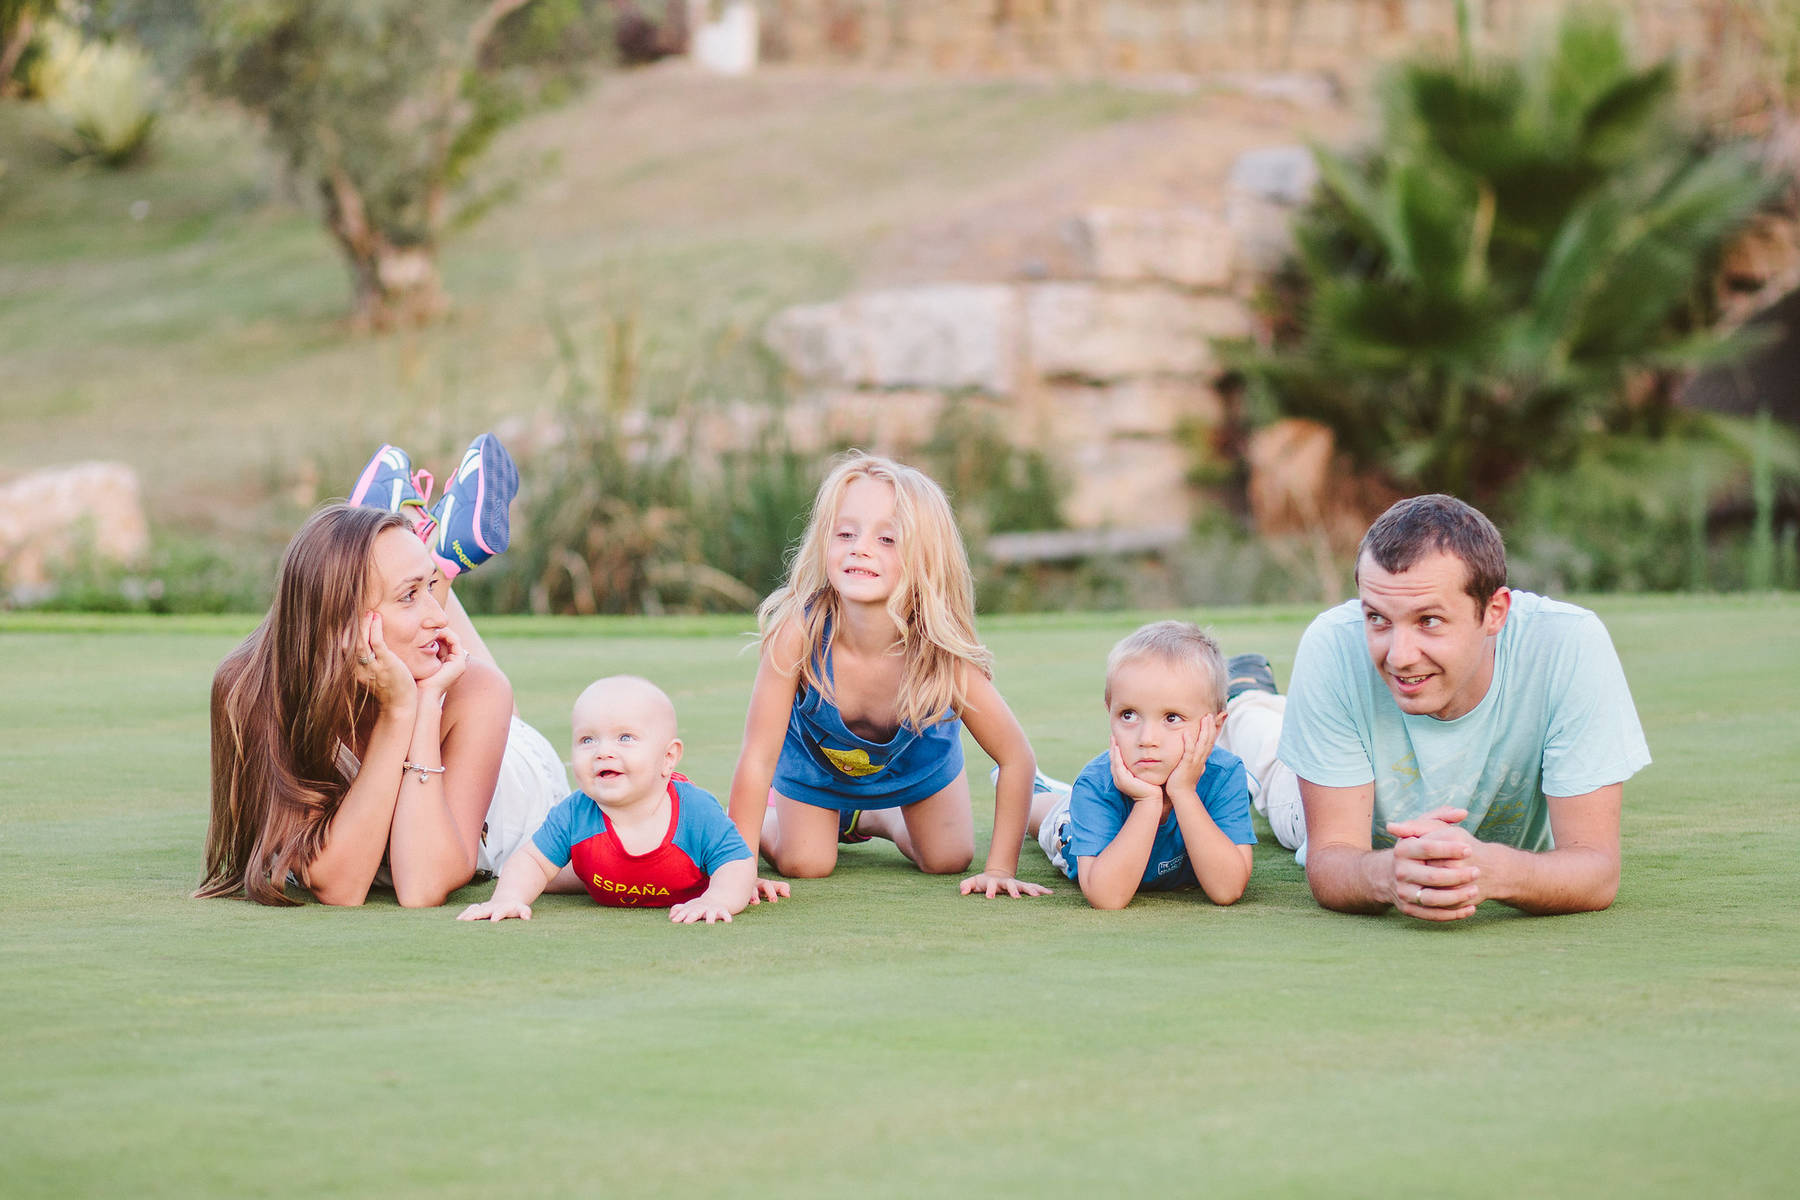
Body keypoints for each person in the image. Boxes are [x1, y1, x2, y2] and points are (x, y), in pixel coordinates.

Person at [197, 435, 566, 907]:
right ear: (340, 617)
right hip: (397, 677)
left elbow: (422, 884)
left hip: (515, 776)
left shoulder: (478, 691)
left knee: (455, 657)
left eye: (426, 587)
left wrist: (422, 703)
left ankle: (426, 554)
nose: (437, 614)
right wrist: (397, 713)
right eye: (411, 593)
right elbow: (340, 884)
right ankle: (426, 552)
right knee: (430, 629)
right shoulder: (249, 688)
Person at [1271, 494, 1651, 921]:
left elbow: (1597, 870)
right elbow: (1331, 860)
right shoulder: (1332, 645)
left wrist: (1492, 871)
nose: (1399, 656)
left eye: (1428, 621)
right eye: (1377, 617)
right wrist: (1386, 874)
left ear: (1494, 612)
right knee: (1270, 771)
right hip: (1305, 796)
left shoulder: (1569, 645)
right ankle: (1251, 698)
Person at [727, 452, 1050, 900]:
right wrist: (736, 871)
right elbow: (758, 756)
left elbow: (1016, 757)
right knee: (807, 863)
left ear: (925, 559)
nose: (860, 547)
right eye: (846, 533)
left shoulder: (943, 654)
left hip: (916, 763)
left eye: (887, 539)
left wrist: (999, 868)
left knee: (947, 859)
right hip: (815, 765)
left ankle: (874, 815)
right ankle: (777, 817)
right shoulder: (797, 633)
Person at [457, 676, 756, 924]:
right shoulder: (576, 813)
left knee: (737, 877)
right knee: (544, 870)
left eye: (625, 738)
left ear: (668, 758)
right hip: (600, 870)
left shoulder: (696, 811)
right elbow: (532, 860)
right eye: (587, 740)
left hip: (691, 881)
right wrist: (509, 897)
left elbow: (737, 862)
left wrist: (720, 896)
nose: (603, 752)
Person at [1025, 621, 1255, 909]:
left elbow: (1227, 889)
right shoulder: (1097, 785)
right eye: (1129, 715)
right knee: (1049, 815)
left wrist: (1183, 792)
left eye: (1172, 718)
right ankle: (1032, 788)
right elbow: (1107, 897)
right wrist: (1147, 802)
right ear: (1110, 713)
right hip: (1072, 830)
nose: (1147, 739)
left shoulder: (1226, 775)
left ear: (1215, 727)